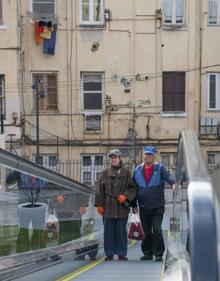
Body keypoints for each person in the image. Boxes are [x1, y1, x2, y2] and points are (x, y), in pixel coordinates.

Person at [132, 146, 175, 262]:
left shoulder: (160, 168)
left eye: (150, 154)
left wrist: (174, 183)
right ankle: (147, 253)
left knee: (156, 229)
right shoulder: (137, 170)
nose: (147, 156)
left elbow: (168, 177)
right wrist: (133, 205)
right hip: (143, 206)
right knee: (146, 231)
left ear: (154, 156)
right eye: (146, 154)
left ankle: (159, 253)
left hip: (157, 206)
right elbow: (133, 189)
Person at [95, 149, 136, 261]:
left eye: (115, 157)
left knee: (121, 231)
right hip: (108, 207)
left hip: (121, 207)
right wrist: (99, 205)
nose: (113, 159)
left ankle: (121, 254)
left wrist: (125, 196)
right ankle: (109, 254)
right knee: (108, 232)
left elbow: (132, 188)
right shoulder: (104, 173)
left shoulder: (126, 173)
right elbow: (99, 189)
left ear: (119, 158)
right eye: (112, 157)